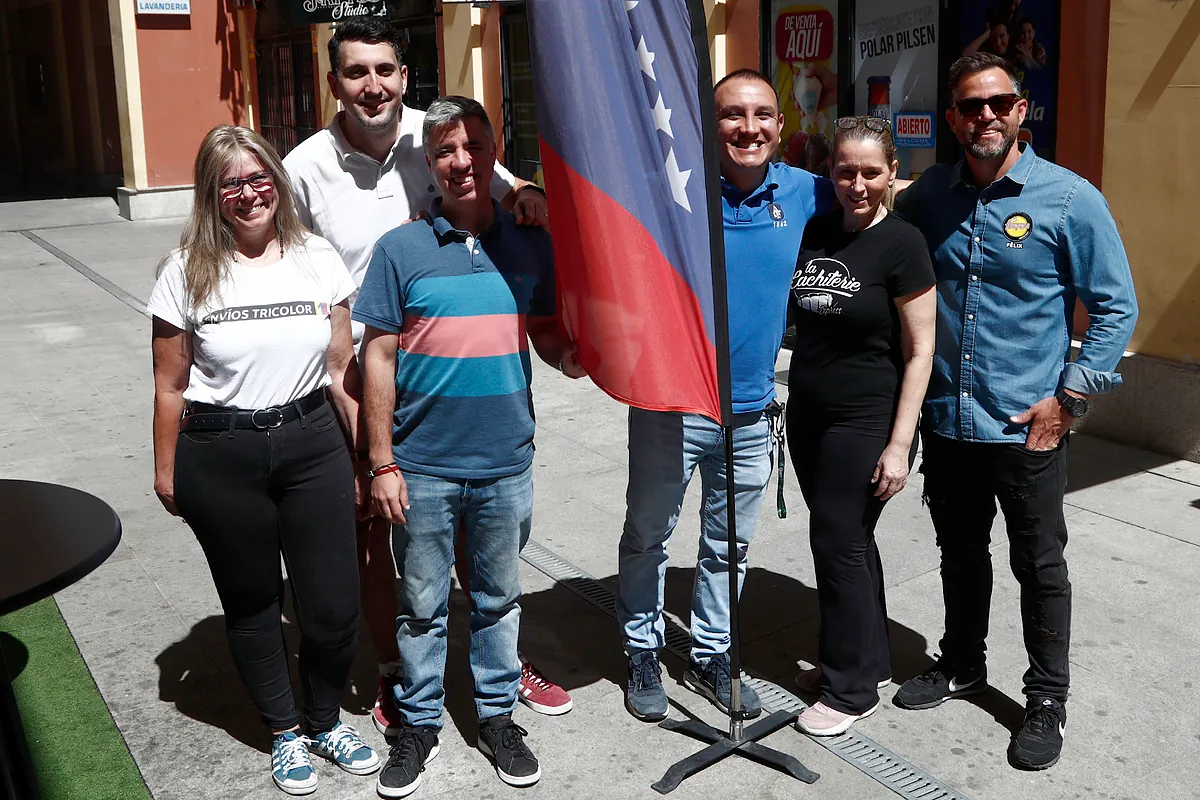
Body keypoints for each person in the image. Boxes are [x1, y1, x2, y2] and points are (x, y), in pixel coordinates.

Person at [282, 18, 571, 733]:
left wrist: (527, 195)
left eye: (384, 69)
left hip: (448, 365)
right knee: (379, 534)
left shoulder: (433, 136)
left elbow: (505, 185)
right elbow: (290, 277)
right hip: (354, 372)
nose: (372, 85)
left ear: (404, 77)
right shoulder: (304, 169)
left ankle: (495, 658)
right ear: (334, 84)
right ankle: (395, 673)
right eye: (356, 73)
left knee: (481, 531)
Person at [893, 54, 1138, 771]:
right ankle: (963, 661)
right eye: (971, 106)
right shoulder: (930, 195)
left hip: (1027, 427)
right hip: (949, 422)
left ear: (1022, 109)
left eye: (1000, 102)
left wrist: (1069, 399)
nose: (987, 116)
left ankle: (1047, 699)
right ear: (953, 119)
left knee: (1040, 564)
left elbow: (1116, 305)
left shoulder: (1068, 199)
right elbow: (864, 207)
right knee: (960, 555)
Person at [354, 97, 584, 797]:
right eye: (447, 150)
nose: (461, 162)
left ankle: (495, 720)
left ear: (495, 153)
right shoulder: (400, 250)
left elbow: (543, 331)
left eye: (474, 147)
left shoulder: (527, 240)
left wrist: (577, 357)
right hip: (421, 467)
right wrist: (382, 461)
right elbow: (379, 360)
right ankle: (417, 724)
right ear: (430, 162)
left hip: (505, 461)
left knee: (498, 600)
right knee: (420, 606)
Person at [148, 125, 379, 795]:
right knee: (251, 602)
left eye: (259, 178)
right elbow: (169, 384)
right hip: (221, 451)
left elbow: (340, 371)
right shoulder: (184, 268)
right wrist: (166, 471)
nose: (249, 193)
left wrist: (367, 459)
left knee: (334, 605)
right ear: (212, 195)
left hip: (312, 441)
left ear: (277, 182)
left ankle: (325, 718)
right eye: (232, 183)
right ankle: (285, 732)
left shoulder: (318, 258)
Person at [619, 68, 834, 723]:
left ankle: (710, 653)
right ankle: (640, 650)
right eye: (733, 116)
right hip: (672, 404)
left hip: (749, 412)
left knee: (728, 546)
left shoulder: (806, 193)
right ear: (710, 127)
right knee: (649, 536)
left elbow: (876, 200)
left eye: (762, 115)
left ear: (780, 123)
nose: (749, 128)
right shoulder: (667, 193)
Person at [786, 116, 936, 737]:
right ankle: (863, 660)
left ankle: (849, 692)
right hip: (809, 414)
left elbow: (921, 349)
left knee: (837, 539)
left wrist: (900, 445)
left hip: (866, 417)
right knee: (849, 542)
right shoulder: (819, 229)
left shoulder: (902, 243)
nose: (857, 183)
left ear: (893, 175)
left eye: (871, 172)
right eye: (845, 171)